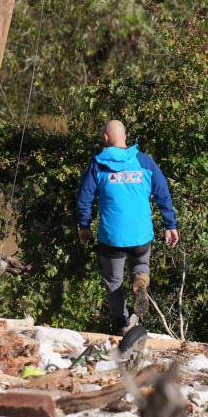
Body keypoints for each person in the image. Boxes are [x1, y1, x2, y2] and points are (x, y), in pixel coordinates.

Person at [75, 119, 179, 333]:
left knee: (114, 281)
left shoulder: (98, 164)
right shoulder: (144, 161)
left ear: (105, 138)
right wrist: (170, 224)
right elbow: (163, 192)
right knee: (141, 265)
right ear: (125, 136)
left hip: (112, 238)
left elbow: (84, 199)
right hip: (141, 235)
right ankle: (140, 282)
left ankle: (121, 324)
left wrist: (84, 225)